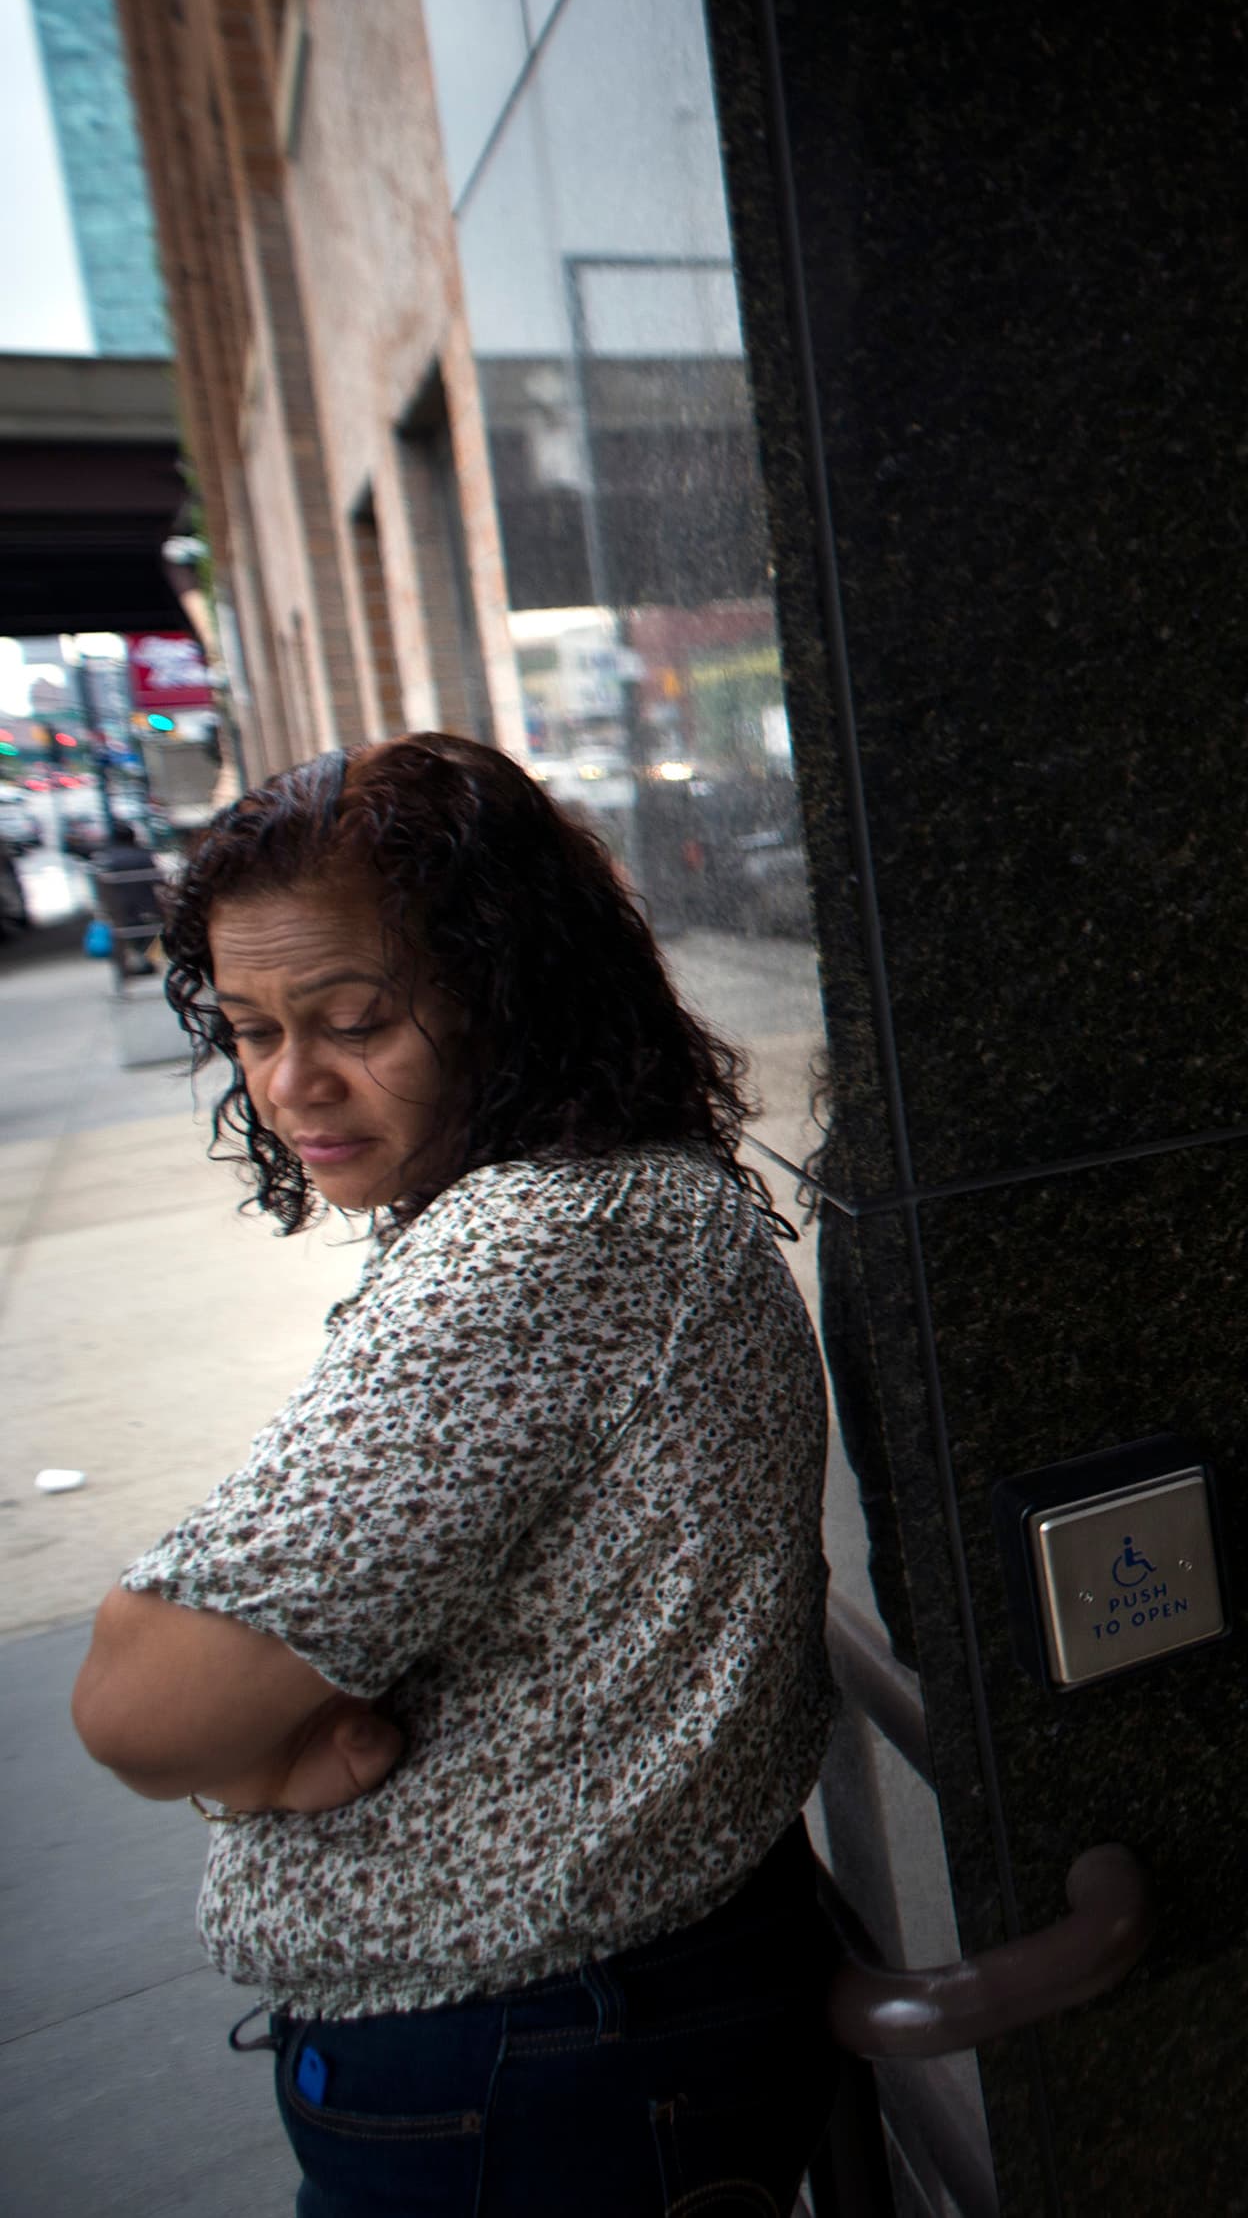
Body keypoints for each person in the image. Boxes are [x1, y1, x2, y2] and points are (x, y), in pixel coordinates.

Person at [66, 733, 841, 2215]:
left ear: (509, 988)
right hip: (587, 2029)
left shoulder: (535, 1247)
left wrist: (237, 1748)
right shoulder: (610, 1199)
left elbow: (133, 1698)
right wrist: (259, 1755)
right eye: (244, 1026)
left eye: (353, 1017)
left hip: (527, 2068)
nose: (293, 1079)